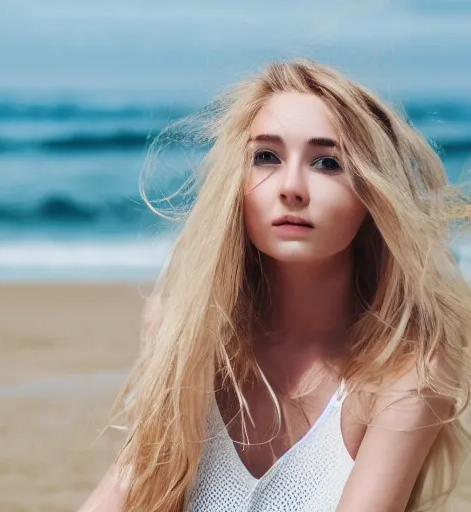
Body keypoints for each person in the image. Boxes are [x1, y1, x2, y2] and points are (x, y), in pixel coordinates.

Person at [78, 58, 471, 512]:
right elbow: (131, 481)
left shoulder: (408, 371)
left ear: (372, 195)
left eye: (327, 162)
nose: (291, 187)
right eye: (265, 157)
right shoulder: (184, 327)